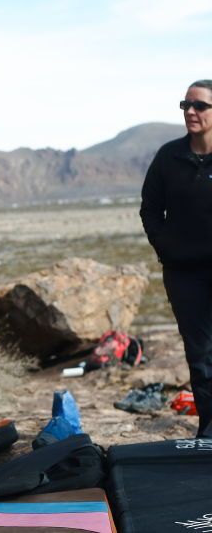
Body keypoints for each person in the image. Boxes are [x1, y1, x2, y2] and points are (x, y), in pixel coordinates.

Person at [140, 79, 212, 438]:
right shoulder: (169, 156)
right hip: (184, 274)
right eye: (186, 105)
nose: (191, 112)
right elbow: (150, 209)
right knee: (200, 356)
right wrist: (164, 246)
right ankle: (209, 431)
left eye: (200, 105)